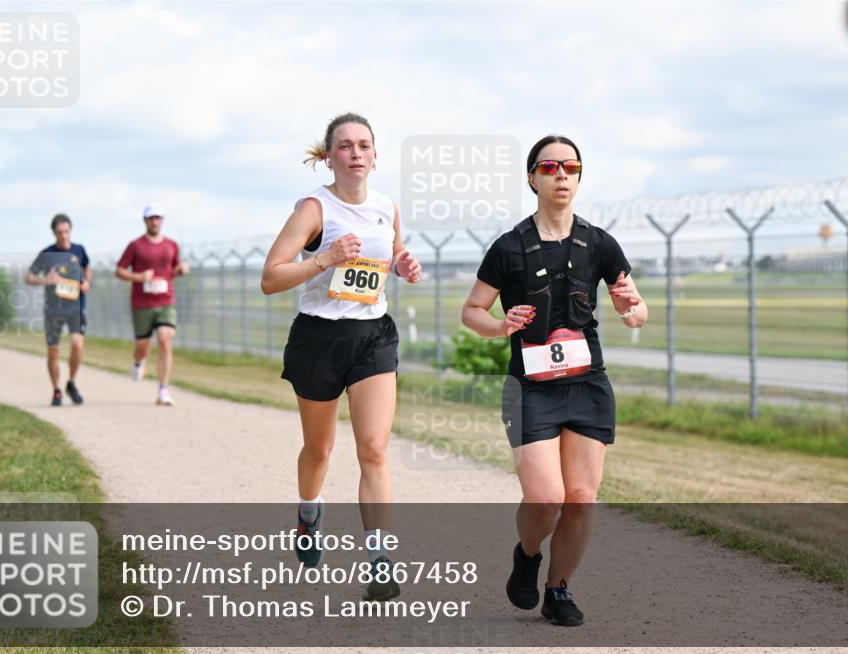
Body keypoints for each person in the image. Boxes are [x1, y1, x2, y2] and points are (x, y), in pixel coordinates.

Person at [461, 135, 647, 626]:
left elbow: (636, 309)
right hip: (531, 389)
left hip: (587, 386)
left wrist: (632, 309)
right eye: (550, 167)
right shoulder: (509, 248)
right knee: (546, 499)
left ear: (579, 177)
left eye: (571, 166)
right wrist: (500, 325)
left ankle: (558, 589)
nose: (561, 174)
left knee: (581, 500)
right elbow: (471, 310)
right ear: (532, 178)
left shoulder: (600, 244)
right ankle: (527, 554)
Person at [261, 112, 422, 601]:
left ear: (375, 155)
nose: (356, 152)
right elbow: (271, 277)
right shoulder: (315, 209)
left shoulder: (385, 206)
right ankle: (309, 511)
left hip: (373, 335)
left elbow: (390, 255)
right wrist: (325, 259)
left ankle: (379, 559)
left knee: (373, 448)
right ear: (329, 156)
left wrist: (403, 263)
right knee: (320, 449)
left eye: (364, 145)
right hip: (319, 338)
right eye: (346, 145)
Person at [114, 205, 189, 405]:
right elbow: (119, 271)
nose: (155, 221)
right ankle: (139, 361)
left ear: (162, 220)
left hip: (166, 300)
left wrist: (181, 269)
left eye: (158, 218)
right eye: (151, 218)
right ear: (145, 221)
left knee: (165, 338)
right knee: (142, 345)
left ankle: (163, 390)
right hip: (142, 303)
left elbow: (172, 270)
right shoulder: (135, 246)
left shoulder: (171, 245)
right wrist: (138, 276)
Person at [25, 213, 92, 406]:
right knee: (53, 351)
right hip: (53, 309)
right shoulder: (47, 254)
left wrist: (87, 281)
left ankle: (71, 382)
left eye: (67, 231)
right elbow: (29, 277)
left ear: (71, 231)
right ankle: (56, 390)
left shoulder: (79, 250)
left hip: (76, 307)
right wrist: (46, 280)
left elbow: (87, 267)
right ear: (54, 233)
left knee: (78, 344)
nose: (64, 236)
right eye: (59, 232)